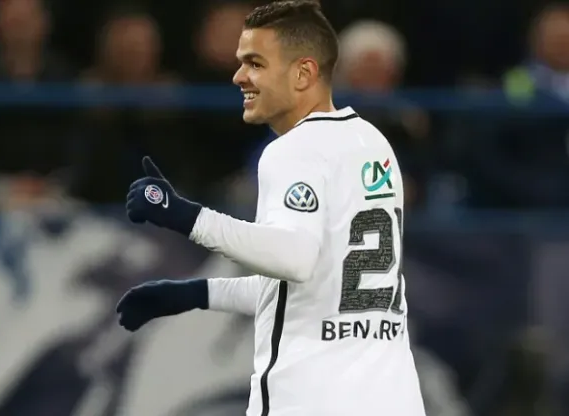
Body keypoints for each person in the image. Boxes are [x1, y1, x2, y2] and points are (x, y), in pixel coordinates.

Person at [117, 1, 426, 415]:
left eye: (256, 64)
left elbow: (292, 260)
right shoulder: (371, 143)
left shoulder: (294, 151)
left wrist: (185, 216)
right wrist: (193, 293)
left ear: (303, 73)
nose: (239, 76)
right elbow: (316, 287)